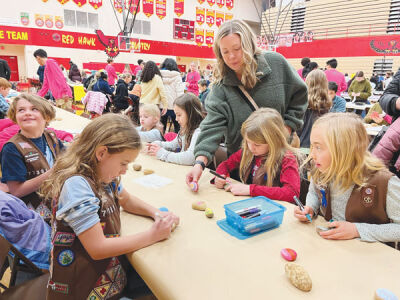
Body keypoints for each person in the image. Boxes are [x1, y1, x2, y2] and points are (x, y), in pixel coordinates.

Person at [40, 114, 179, 300]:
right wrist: (153, 235)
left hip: (106, 275)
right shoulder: (77, 185)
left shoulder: (102, 174)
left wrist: (156, 214)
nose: (125, 170)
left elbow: (127, 200)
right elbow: (98, 248)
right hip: (81, 287)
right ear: (102, 153)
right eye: (123, 163)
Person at [186, 20, 307, 185]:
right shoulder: (221, 87)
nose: (232, 56)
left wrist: (285, 128)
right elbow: (212, 126)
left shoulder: (276, 63)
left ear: (249, 44)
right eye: (225, 51)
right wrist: (199, 162)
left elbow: (299, 96)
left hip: (279, 159)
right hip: (242, 163)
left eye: (237, 49)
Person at [294, 113, 400, 244]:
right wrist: (310, 207)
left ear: (344, 149)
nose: (312, 155)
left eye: (319, 147)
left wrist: (357, 230)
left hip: (369, 257)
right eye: (312, 146)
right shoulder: (321, 169)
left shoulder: (385, 182)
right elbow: (314, 193)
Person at [213, 108, 300, 202]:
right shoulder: (249, 152)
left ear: (273, 141)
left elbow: (292, 193)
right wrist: (219, 177)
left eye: (257, 145)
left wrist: (250, 190)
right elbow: (226, 165)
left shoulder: (287, 158)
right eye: (248, 142)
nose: (251, 148)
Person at [0, 94, 64, 221]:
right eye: (21, 110)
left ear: (46, 116)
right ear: (15, 116)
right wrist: (52, 172)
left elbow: (67, 158)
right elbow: (16, 191)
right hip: (31, 215)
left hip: (56, 206)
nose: (27, 113)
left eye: (34, 109)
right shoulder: (12, 148)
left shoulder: (51, 136)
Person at [147, 93, 204, 165]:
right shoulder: (185, 129)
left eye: (179, 115)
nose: (176, 119)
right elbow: (173, 145)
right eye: (176, 115)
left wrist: (164, 154)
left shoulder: (198, 132)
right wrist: (157, 144)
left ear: (191, 114)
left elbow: (190, 158)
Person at [297, 69, 332, 148]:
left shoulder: (300, 102)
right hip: (318, 146)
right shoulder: (326, 104)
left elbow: (297, 128)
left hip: (300, 146)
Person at [160, 58, 184, 133]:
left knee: (161, 126)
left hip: (162, 105)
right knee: (177, 126)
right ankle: (177, 142)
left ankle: (161, 142)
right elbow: (180, 92)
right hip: (175, 106)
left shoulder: (159, 76)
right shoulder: (177, 76)